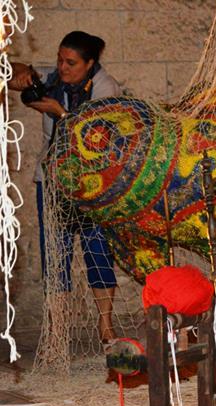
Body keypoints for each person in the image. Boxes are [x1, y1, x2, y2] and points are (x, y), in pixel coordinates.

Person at [10, 31, 122, 343]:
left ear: (90, 63)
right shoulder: (53, 79)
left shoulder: (106, 88)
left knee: (97, 251)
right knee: (55, 254)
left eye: (70, 63)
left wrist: (58, 112)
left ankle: (105, 326)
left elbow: (94, 137)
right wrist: (22, 72)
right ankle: (57, 331)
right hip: (54, 180)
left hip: (92, 182)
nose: (62, 67)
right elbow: (11, 72)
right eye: (60, 60)